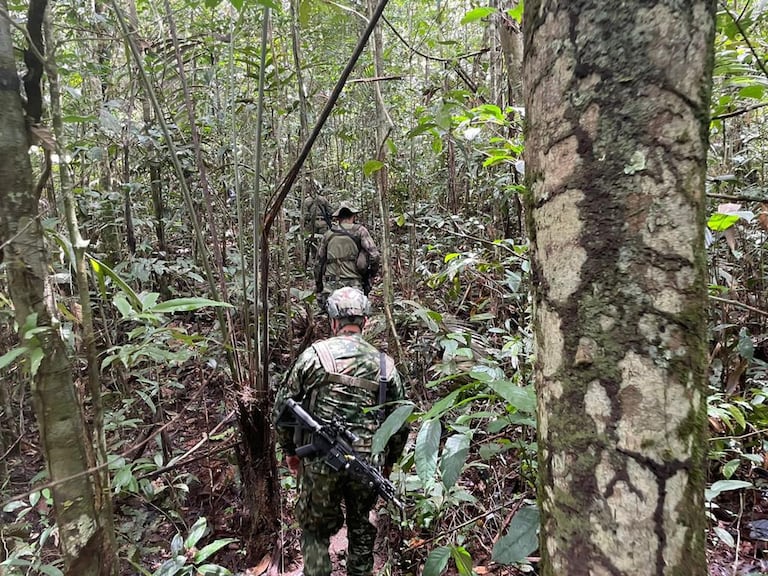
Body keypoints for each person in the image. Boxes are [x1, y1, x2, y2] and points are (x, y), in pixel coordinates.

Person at [272, 287, 409, 576]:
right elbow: (399, 422)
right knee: (362, 530)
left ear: (333, 321)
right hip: (367, 463)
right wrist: (388, 462)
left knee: (315, 528)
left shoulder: (313, 356)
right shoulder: (386, 366)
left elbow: (282, 408)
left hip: (321, 463)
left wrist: (290, 453)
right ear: (365, 322)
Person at [314, 203, 380, 304]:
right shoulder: (360, 231)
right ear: (353, 216)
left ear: (338, 218)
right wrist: (371, 276)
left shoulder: (328, 234)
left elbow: (319, 263)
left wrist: (319, 287)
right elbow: (374, 255)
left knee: (332, 312)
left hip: (332, 283)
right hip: (354, 283)